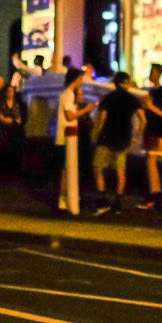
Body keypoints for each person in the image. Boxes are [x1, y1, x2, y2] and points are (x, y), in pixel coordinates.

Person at [90, 72, 145, 216]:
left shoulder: (109, 98)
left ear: (115, 83)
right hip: (124, 139)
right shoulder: (132, 99)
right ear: (127, 83)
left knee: (98, 168)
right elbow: (143, 120)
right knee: (120, 172)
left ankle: (102, 199)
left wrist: (95, 134)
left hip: (106, 138)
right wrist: (135, 137)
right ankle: (118, 203)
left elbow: (102, 119)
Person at [53, 66, 92, 215]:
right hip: (66, 137)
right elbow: (70, 116)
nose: (82, 81)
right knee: (65, 170)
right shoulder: (68, 94)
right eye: (81, 78)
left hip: (69, 137)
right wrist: (86, 110)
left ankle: (66, 199)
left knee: (67, 169)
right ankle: (63, 201)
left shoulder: (69, 94)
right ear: (76, 79)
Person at [138, 63, 162, 210]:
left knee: (152, 162)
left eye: (153, 72)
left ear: (158, 73)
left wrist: (150, 106)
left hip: (158, 131)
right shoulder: (150, 92)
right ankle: (154, 194)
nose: (151, 75)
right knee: (150, 162)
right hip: (151, 130)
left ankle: (155, 195)